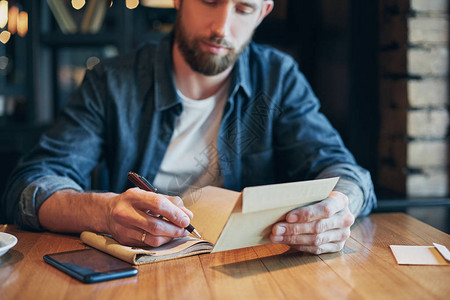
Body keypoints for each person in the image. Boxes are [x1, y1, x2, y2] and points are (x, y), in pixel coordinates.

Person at [1, 0, 376, 255]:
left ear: (262, 12)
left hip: (244, 272)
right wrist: (105, 211)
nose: (222, 27)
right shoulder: (112, 82)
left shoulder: (277, 79)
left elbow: (344, 170)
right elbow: (29, 185)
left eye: (243, 8)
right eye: (209, 0)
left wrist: (339, 206)